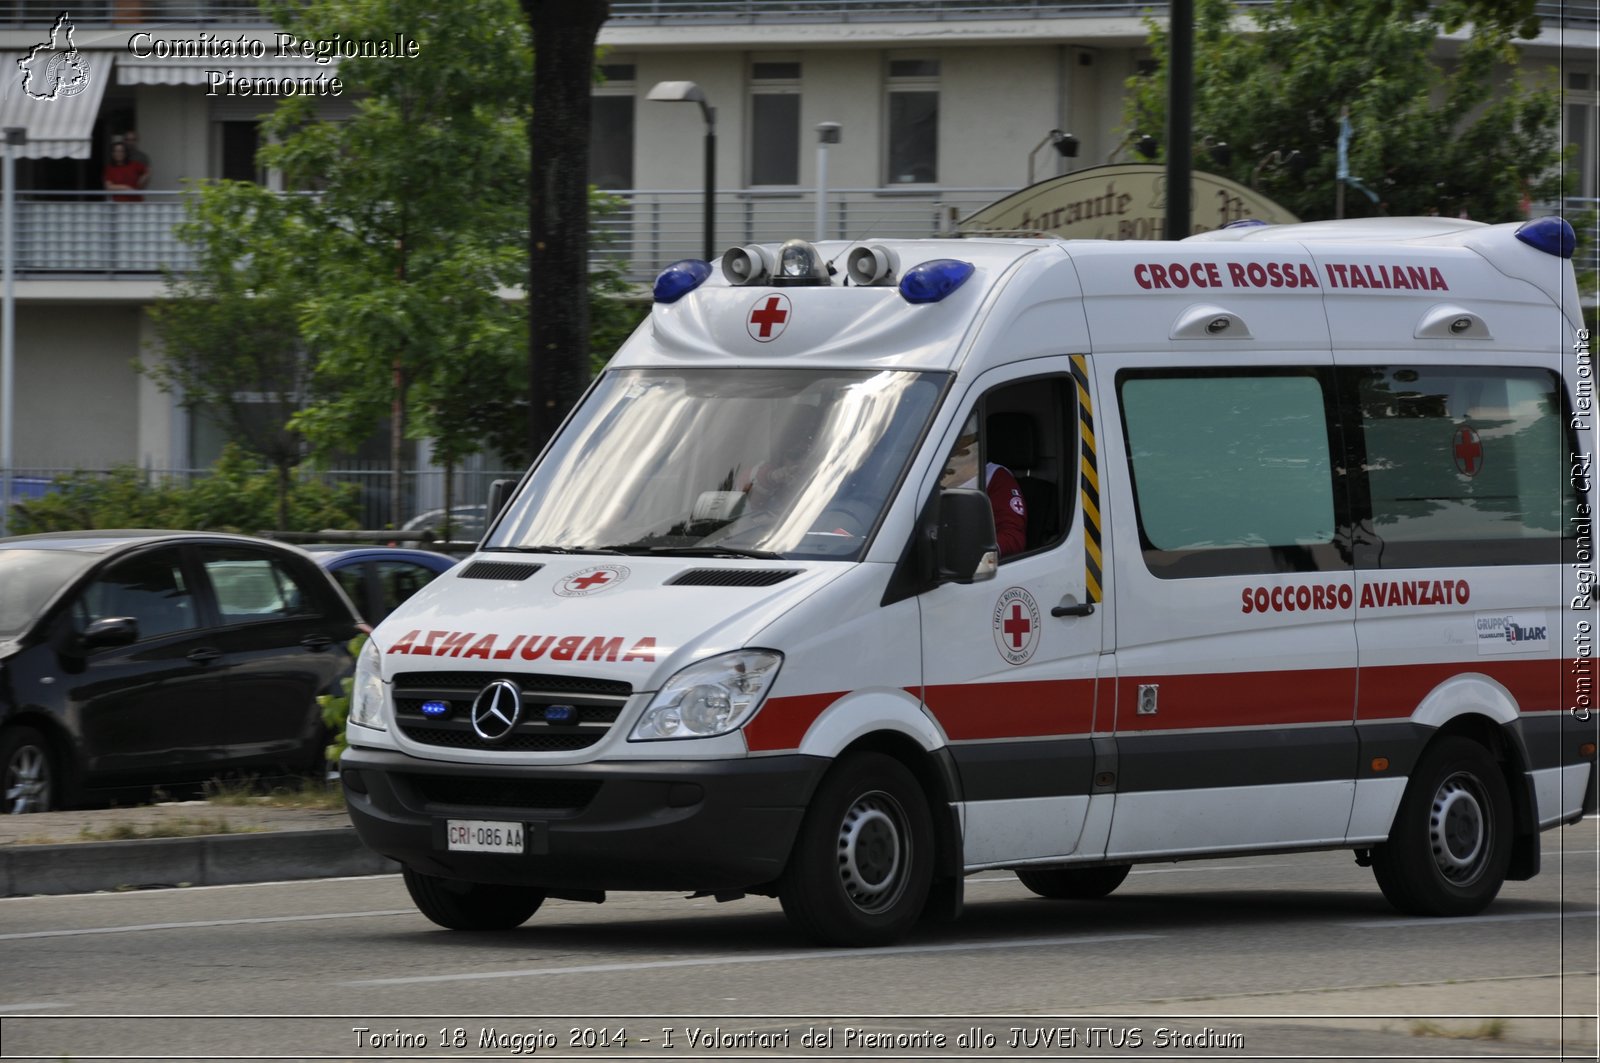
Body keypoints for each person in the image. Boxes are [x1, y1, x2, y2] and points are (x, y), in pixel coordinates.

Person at [940, 414, 1027, 557]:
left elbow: (1013, 536)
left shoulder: (994, 476)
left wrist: (976, 553)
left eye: (962, 435)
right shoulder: (927, 474)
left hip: (964, 565)